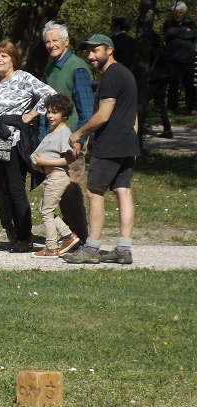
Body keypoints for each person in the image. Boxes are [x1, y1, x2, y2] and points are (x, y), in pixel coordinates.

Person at [63, 35, 140, 265]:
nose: (90, 56)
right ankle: (124, 249)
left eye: (95, 51)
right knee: (122, 191)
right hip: (127, 142)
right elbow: (133, 115)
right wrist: (132, 145)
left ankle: (92, 248)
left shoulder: (111, 76)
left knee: (94, 192)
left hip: (110, 143)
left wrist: (78, 133)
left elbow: (103, 115)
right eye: (88, 52)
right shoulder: (127, 74)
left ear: (110, 50)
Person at [0, 40, 56, 253]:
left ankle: (24, 237)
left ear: (13, 59)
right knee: (4, 188)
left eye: (4, 56)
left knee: (16, 189)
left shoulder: (23, 78)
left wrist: (33, 113)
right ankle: (15, 233)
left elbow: (50, 94)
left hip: (15, 140)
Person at [42, 22, 93, 242]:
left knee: (71, 190)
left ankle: (80, 237)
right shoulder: (50, 68)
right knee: (58, 191)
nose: (52, 45)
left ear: (66, 41)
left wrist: (79, 139)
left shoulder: (77, 67)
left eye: (55, 40)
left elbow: (88, 110)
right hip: (54, 142)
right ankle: (68, 236)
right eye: (48, 41)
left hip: (72, 141)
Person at [30, 94, 80, 257]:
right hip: (50, 176)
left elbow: (68, 159)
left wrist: (45, 161)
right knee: (44, 209)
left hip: (58, 176)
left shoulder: (65, 133)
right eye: (49, 112)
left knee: (46, 211)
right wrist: (39, 164)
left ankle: (51, 247)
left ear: (64, 114)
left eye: (55, 112)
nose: (50, 116)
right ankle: (68, 236)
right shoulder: (53, 133)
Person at [162, 2, 197, 114]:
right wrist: (183, 31)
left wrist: (176, 33)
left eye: (180, 12)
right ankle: (171, 108)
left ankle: (193, 108)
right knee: (173, 84)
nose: (177, 15)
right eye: (176, 13)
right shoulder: (168, 23)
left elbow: (193, 34)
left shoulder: (191, 23)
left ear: (184, 13)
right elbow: (168, 34)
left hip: (187, 58)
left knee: (189, 84)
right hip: (173, 59)